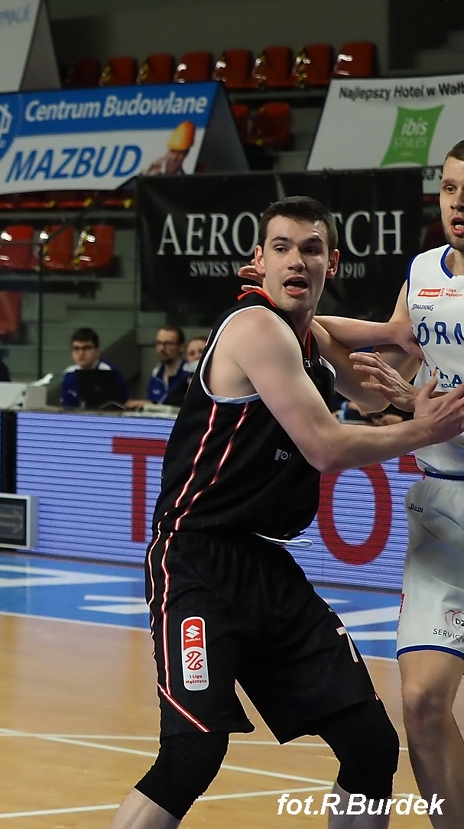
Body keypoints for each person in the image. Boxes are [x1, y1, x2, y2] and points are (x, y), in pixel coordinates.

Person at [108, 196, 464, 829]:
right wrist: (422, 428)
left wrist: (396, 339)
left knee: (370, 744)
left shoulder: (308, 336)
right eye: (282, 247)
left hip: (265, 564)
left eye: (310, 249)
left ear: (332, 263)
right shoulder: (256, 327)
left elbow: (363, 384)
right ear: (259, 262)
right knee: (191, 756)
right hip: (195, 559)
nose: (296, 260)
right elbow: (326, 447)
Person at [303, 142, 464, 828]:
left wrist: (422, 411)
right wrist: (293, 323)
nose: (459, 203)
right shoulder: (422, 272)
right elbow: (391, 352)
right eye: (450, 188)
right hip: (443, 512)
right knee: (421, 704)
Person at [61, 326, 127, 408]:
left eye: (86, 348)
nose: (81, 353)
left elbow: (121, 404)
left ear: (97, 351)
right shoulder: (69, 373)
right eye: (76, 349)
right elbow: (66, 406)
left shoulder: (108, 372)